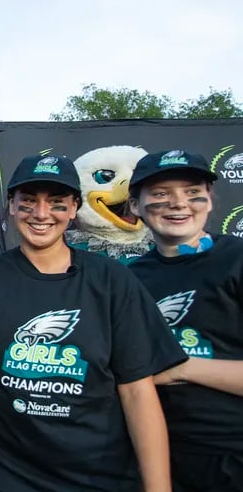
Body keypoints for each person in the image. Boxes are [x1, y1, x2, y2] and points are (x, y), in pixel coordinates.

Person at [0, 154, 186, 492]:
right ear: (11, 205)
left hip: (97, 477)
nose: (41, 213)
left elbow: (138, 391)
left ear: (75, 207)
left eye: (57, 202)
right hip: (8, 475)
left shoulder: (111, 280)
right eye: (29, 201)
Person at [127, 150, 243, 491]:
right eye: (161, 195)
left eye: (192, 192)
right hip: (160, 458)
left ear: (208, 200)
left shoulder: (237, 260)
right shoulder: (131, 278)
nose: (178, 204)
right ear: (135, 206)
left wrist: (180, 367)